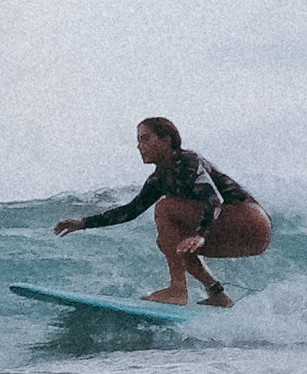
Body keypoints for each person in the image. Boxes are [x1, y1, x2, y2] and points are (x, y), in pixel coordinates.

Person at [53, 118, 270, 306]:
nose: (139, 146)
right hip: (243, 234)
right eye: (138, 141)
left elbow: (213, 198)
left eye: (146, 139)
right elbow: (131, 210)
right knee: (171, 243)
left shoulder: (187, 161)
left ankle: (177, 290)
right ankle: (217, 293)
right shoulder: (159, 178)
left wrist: (200, 234)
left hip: (249, 218)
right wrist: (82, 223)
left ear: (166, 139)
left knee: (164, 207)